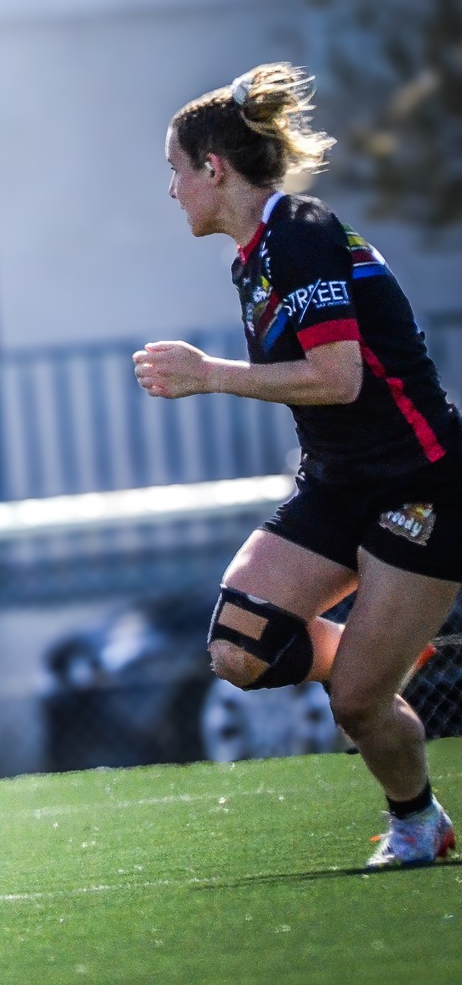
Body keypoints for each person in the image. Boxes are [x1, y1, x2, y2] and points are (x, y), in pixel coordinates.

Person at [134, 63, 461, 869]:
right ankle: (387, 647)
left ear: (214, 169)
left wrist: (207, 372)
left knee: (354, 704)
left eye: (175, 170)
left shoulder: (300, 233)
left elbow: (338, 375)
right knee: (238, 649)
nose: (171, 190)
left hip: (422, 483)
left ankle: (418, 819)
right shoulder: (253, 257)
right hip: (336, 486)